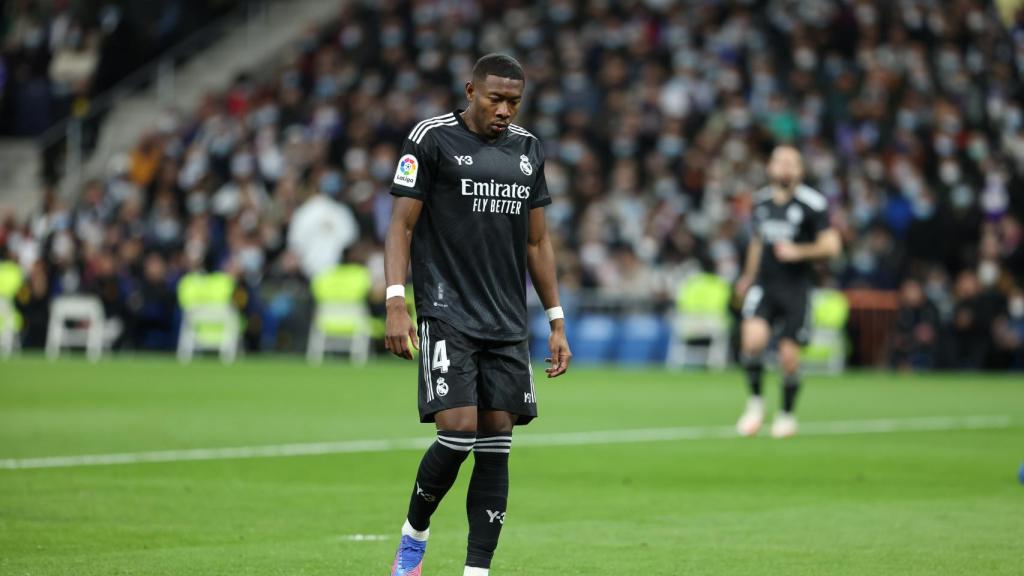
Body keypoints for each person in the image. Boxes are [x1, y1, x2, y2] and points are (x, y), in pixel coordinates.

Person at [383, 54, 572, 576]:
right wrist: (396, 299)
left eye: (514, 101)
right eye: (496, 98)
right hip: (447, 311)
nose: (506, 110)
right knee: (458, 430)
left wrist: (556, 319)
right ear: (470, 90)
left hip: (508, 322)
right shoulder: (431, 139)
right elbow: (400, 225)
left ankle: (476, 571)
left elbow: (538, 242)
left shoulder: (528, 149)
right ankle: (413, 538)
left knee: (496, 444)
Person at [733, 146, 841, 438]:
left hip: (796, 288)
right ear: (769, 167)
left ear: (800, 170)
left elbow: (832, 245)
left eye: (790, 163)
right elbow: (757, 242)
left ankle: (786, 414)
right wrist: (747, 277)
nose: (784, 168)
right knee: (752, 341)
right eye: (779, 162)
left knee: (789, 357)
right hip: (765, 284)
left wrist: (799, 251)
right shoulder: (760, 201)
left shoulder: (813, 203)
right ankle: (755, 403)